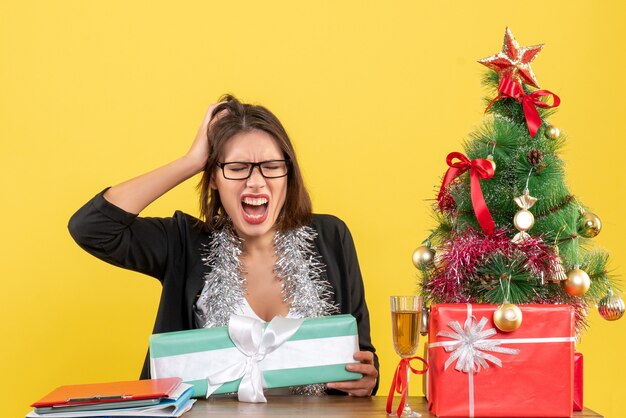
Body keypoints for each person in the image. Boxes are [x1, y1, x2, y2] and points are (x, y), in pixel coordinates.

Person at [68, 95, 378, 397]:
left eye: (271, 166)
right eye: (237, 167)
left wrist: (367, 379)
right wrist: (190, 161)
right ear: (214, 176)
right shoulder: (184, 243)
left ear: (288, 174)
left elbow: (363, 355)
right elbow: (92, 228)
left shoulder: (330, 236)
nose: (255, 182)